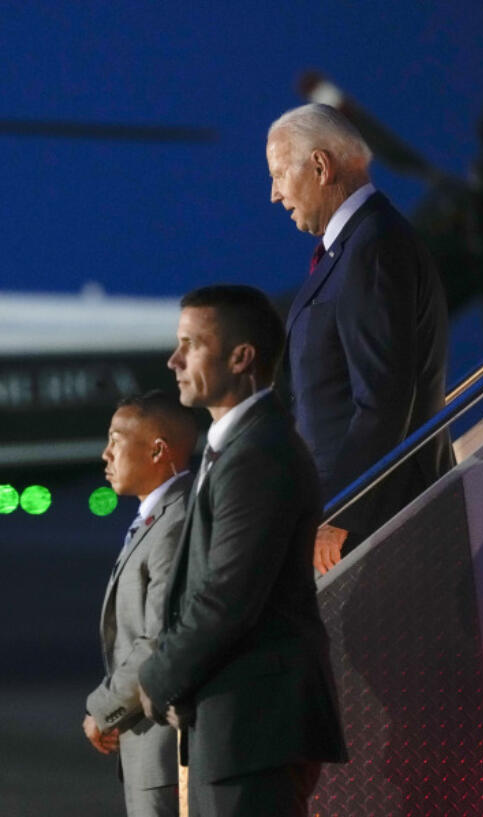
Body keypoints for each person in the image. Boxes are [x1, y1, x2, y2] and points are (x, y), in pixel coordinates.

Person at [137, 285, 347, 817]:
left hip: (255, 727)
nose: (174, 360)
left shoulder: (259, 453)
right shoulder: (233, 446)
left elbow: (227, 597)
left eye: (191, 345)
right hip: (237, 725)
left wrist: (157, 678)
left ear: (241, 357)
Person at [267, 103, 453, 574]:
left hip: (375, 530)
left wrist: (342, 512)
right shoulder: (358, 245)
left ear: (320, 166)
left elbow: (384, 397)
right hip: (356, 529)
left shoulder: (372, 247)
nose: (274, 195)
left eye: (278, 175)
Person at [84, 390, 198, 817]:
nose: (105, 454)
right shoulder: (159, 517)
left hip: (166, 745)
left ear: (156, 449)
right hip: (149, 745)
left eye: (116, 439)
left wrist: (103, 708)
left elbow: (159, 639)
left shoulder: (177, 521)